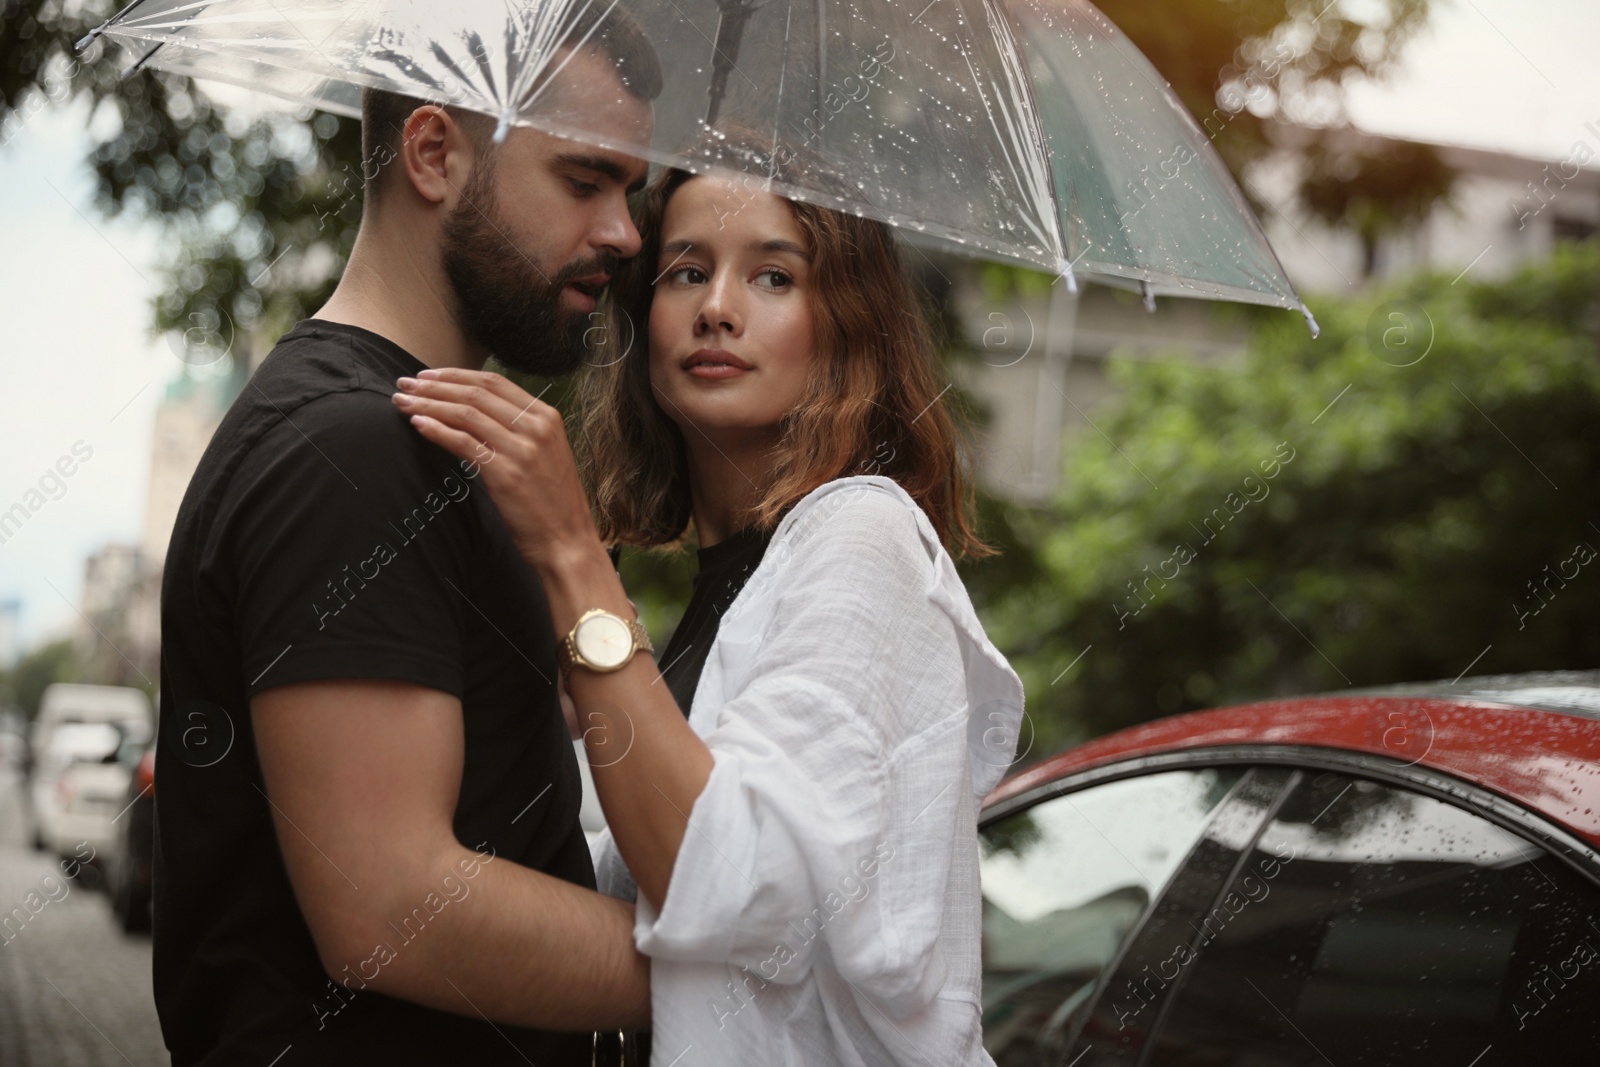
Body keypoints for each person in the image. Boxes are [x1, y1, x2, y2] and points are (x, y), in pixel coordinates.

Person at [391, 136, 1027, 1065]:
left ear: (845, 322)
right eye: (686, 272)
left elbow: (732, 886)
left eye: (774, 278)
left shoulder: (863, 537)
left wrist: (574, 560)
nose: (718, 310)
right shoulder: (731, 588)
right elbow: (640, 882)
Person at [152, 10, 663, 1065]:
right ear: (432, 153)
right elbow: (392, 910)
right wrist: (741, 974)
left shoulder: (421, 441)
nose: (626, 234)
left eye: (632, 192)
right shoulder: (352, 452)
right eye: (584, 181)